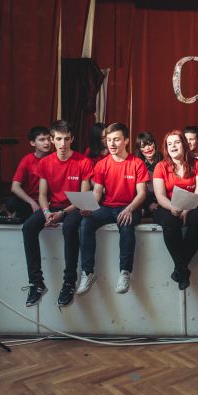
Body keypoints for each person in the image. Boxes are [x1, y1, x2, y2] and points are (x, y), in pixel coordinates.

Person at [21, 120, 93, 307]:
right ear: (52, 139)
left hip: (75, 207)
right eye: (59, 139)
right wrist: (46, 212)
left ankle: (69, 282)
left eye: (67, 139)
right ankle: (36, 283)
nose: (63, 144)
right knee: (28, 227)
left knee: (69, 227)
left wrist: (62, 213)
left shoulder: (83, 162)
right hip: (53, 206)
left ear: (72, 139)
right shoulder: (45, 162)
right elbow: (42, 195)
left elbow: (84, 197)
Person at [78, 123, 149, 295]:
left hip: (130, 206)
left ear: (126, 141)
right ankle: (87, 272)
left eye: (116, 139)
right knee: (86, 222)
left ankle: (125, 272)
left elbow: (142, 193)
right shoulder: (102, 165)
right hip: (108, 207)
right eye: (109, 140)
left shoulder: (137, 163)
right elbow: (97, 192)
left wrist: (130, 209)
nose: (112, 144)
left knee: (126, 224)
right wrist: (89, 207)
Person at [153, 130, 198, 290]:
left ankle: (180, 268)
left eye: (176, 142)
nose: (173, 146)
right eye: (169, 144)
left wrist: (188, 208)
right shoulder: (161, 166)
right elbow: (160, 195)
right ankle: (182, 269)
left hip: (192, 204)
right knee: (170, 222)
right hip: (167, 206)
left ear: (184, 145)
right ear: (166, 148)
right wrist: (173, 208)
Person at [5, 126, 51, 221]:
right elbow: (15, 187)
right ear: (32, 143)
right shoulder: (27, 160)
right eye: (42, 140)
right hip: (30, 201)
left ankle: (26, 215)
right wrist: (31, 202)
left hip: (48, 202)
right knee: (10, 202)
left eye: (48, 139)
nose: (47, 143)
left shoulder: (54, 159)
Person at [135, 131, 163, 218]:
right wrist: (147, 205)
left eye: (149, 144)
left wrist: (159, 203)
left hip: (163, 200)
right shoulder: (137, 164)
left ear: (154, 144)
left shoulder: (164, 160)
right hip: (144, 202)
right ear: (140, 149)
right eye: (143, 146)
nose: (147, 148)